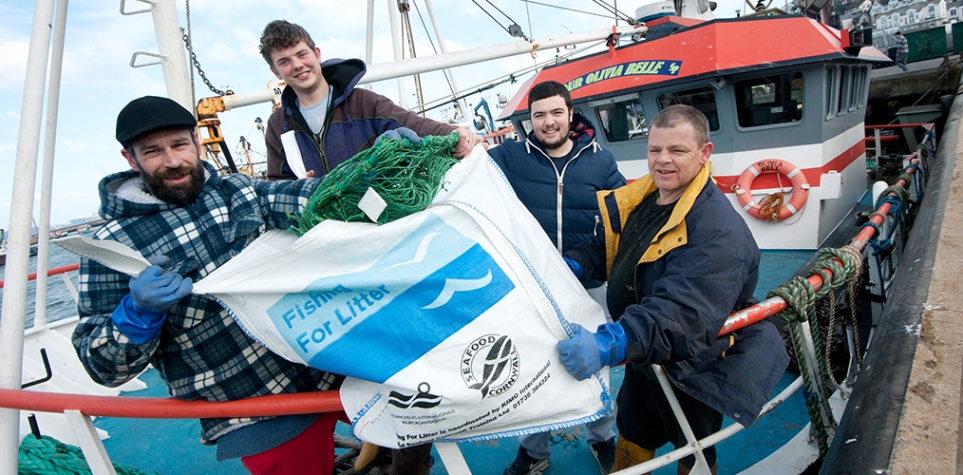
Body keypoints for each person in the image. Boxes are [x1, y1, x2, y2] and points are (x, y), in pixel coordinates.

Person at [72, 96, 359, 475]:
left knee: (417, 412)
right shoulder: (107, 247)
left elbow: (317, 198)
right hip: (253, 407)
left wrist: (377, 168)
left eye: (178, 144)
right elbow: (102, 366)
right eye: (153, 151)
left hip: (328, 361)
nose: (172, 160)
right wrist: (137, 315)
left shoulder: (239, 191)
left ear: (196, 140)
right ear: (131, 159)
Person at [556, 105, 789, 474]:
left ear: (704, 153)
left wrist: (611, 343)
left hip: (693, 364)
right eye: (654, 150)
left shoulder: (718, 231)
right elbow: (614, 248)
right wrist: (570, 263)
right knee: (632, 426)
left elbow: (684, 312)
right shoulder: (650, 200)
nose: (662, 161)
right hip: (644, 357)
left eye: (677, 151)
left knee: (693, 445)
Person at [488, 80, 624, 475]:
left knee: (594, 367)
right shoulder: (511, 158)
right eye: (539, 115)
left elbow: (620, 221)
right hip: (531, 289)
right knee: (532, 368)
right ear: (530, 120)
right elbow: (462, 165)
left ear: (570, 113)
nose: (548, 122)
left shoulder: (601, 161)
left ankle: (604, 439)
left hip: (588, 286)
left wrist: (592, 265)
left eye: (555, 112)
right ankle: (534, 451)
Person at [259, 20, 478, 181]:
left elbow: (411, 123)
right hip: (324, 230)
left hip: (375, 217)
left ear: (317, 54)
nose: (297, 65)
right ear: (276, 71)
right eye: (284, 61)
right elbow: (276, 183)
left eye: (301, 54)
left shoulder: (363, 103)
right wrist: (298, 188)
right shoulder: (278, 126)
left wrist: (452, 133)